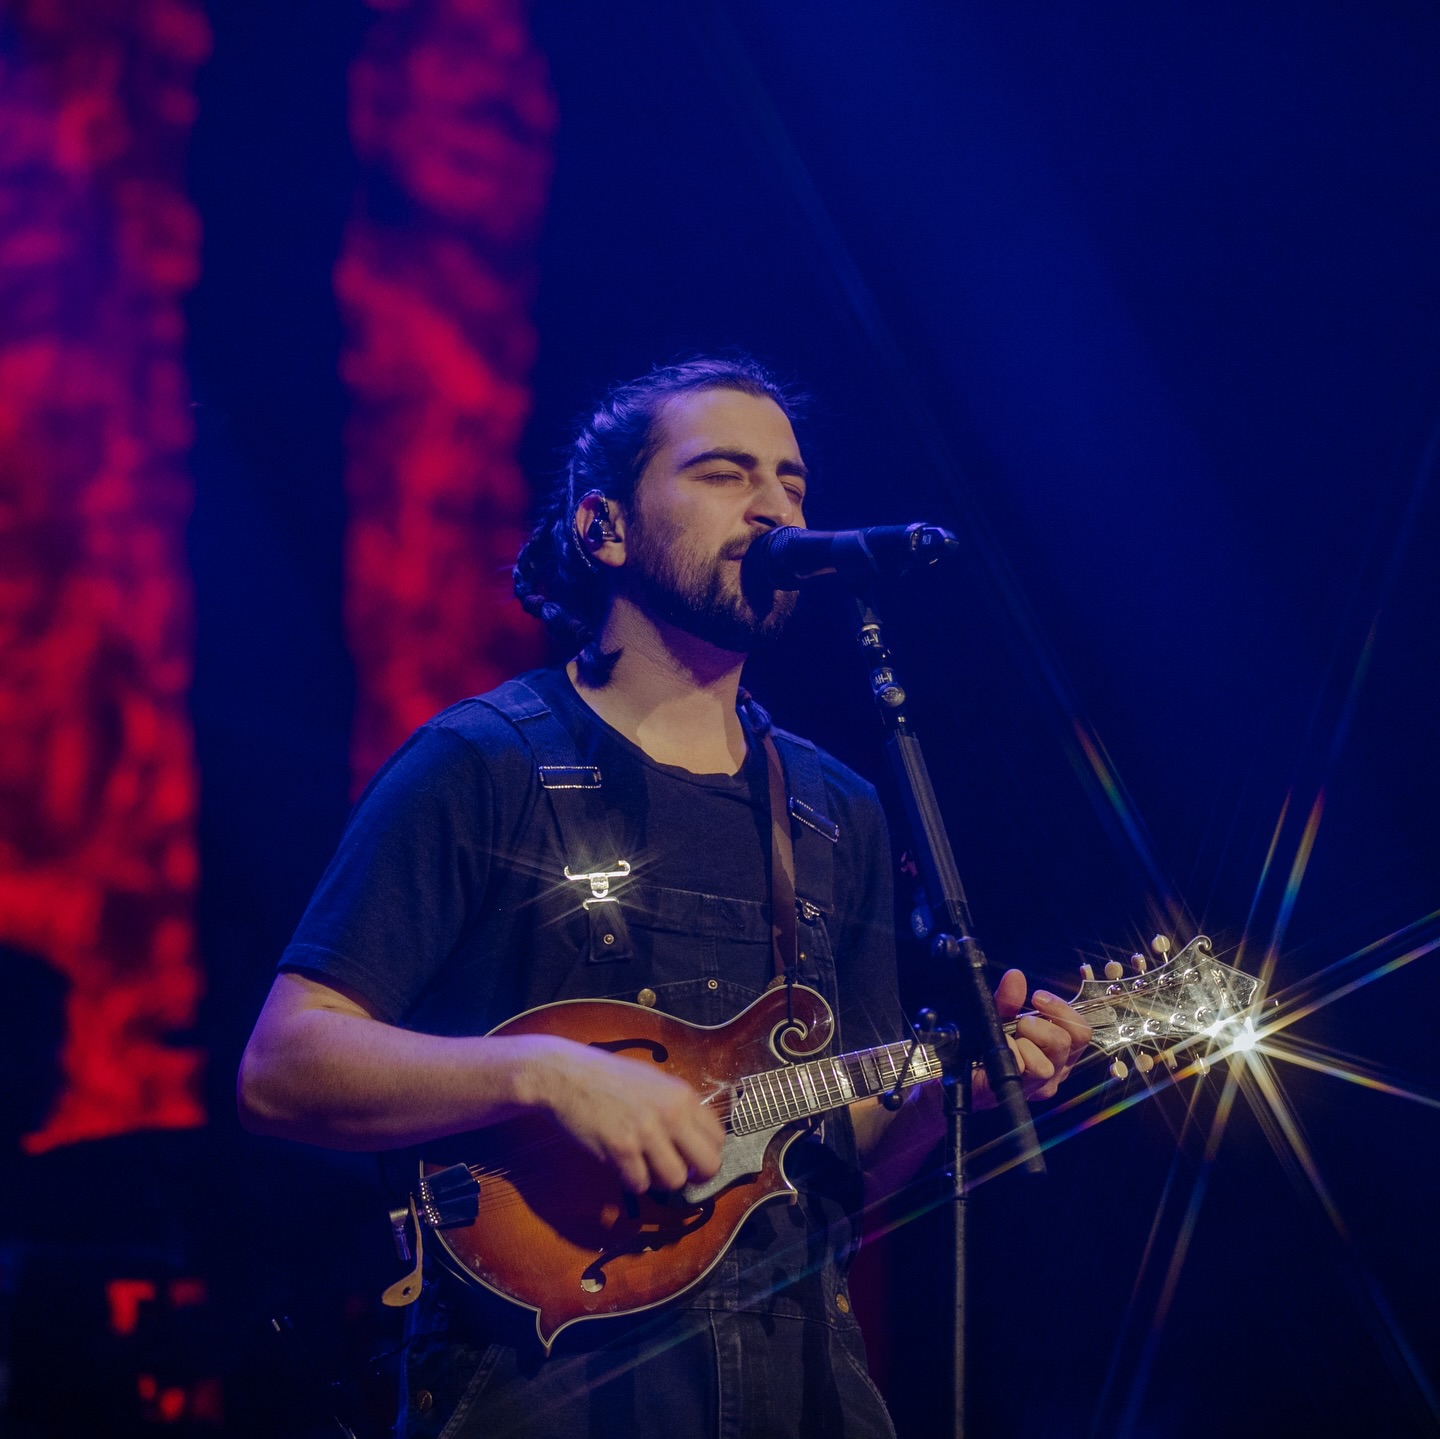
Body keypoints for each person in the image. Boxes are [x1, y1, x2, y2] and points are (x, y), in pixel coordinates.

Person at [238, 357, 1091, 1437]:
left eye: (791, 482)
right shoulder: (481, 762)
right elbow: (285, 1065)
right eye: (725, 473)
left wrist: (938, 1101)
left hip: (801, 1384)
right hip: (546, 1384)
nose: (775, 507)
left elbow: (837, 1168)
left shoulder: (838, 808)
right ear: (603, 527)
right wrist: (544, 1073)